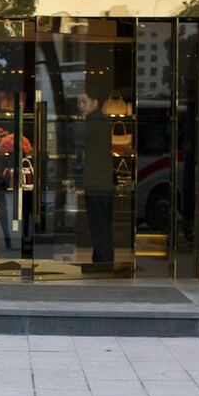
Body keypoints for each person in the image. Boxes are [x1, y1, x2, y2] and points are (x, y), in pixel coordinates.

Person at [77, 85, 115, 263]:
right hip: (100, 183)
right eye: (79, 102)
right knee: (101, 226)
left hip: (97, 184)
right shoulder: (99, 121)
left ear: (95, 103)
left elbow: (75, 137)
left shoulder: (94, 122)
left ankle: (103, 261)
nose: (81, 106)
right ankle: (101, 259)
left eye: (84, 102)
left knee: (99, 226)